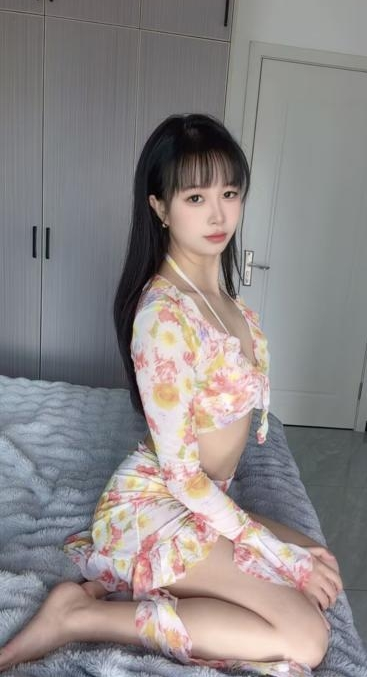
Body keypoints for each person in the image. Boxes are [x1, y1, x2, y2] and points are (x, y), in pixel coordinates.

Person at [0, 113, 343, 676]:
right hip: (157, 507)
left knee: (317, 558)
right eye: (195, 197)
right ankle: (81, 616)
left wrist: (284, 552)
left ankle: (145, 584)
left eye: (229, 193)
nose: (218, 214)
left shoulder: (226, 300)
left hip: (202, 502)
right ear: (160, 207)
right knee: (306, 638)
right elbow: (182, 477)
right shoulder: (163, 314)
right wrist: (272, 551)